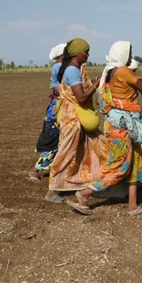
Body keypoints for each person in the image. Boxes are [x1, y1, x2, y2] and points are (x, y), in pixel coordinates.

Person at [66, 41, 142, 215]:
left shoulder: (109, 71)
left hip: (123, 123)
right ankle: (84, 194)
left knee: (135, 162)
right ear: (122, 54)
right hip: (121, 126)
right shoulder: (122, 71)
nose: (130, 58)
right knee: (120, 167)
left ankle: (132, 206)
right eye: (129, 54)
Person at [44, 38, 107, 203]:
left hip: (76, 117)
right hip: (72, 117)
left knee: (93, 147)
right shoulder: (72, 71)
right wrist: (96, 84)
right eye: (86, 51)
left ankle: (92, 181)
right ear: (78, 53)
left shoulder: (76, 69)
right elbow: (81, 97)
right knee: (66, 152)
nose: (88, 54)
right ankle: (52, 191)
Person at [27, 43, 66, 183]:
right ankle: (34, 170)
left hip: (62, 107)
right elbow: (58, 88)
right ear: (63, 55)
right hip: (58, 110)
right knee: (54, 143)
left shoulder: (65, 67)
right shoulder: (59, 67)